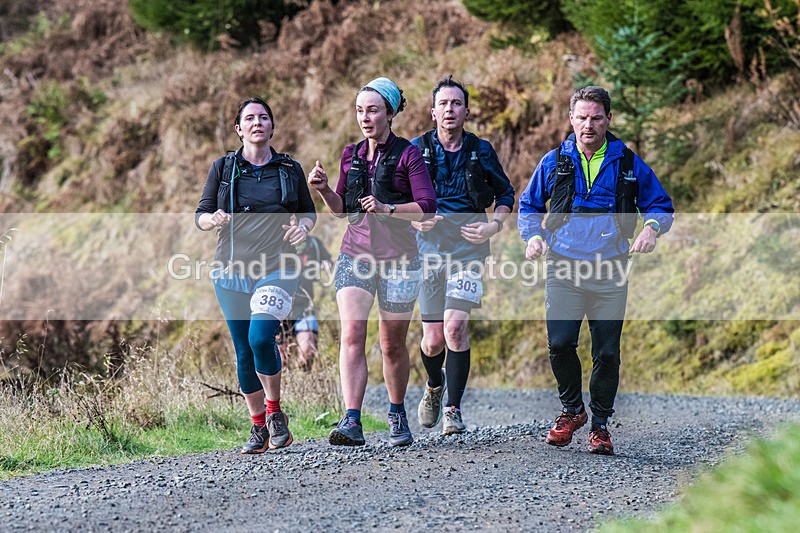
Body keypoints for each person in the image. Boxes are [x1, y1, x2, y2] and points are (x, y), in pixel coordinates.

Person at [518, 86, 674, 455]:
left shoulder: (627, 163)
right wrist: (534, 237)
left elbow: (661, 205)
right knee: (559, 344)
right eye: (582, 117)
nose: (589, 125)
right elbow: (528, 206)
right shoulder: (554, 160)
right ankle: (572, 410)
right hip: (563, 266)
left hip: (610, 270)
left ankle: (600, 426)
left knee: (606, 353)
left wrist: (651, 229)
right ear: (571, 119)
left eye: (596, 117)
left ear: (608, 119)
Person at [307, 77, 437, 446]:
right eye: (360, 110)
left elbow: (428, 207)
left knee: (391, 344)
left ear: (391, 113)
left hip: (400, 260)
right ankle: (352, 420)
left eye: (373, 110)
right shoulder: (351, 155)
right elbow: (343, 210)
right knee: (351, 334)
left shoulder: (409, 154)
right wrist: (324, 190)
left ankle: (397, 414)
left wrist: (387, 207)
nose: (365, 117)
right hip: (355, 254)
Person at [196, 97, 317, 454]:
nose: (257, 122)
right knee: (243, 351)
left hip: (278, 268)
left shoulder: (289, 169)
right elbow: (200, 215)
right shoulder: (223, 168)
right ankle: (258, 426)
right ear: (239, 129)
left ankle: (275, 411)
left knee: (261, 337)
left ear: (272, 127)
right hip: (230, 271)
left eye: (264, 117)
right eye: (250, 118)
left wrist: (304, 230)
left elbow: (308, 213)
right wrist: (213, 220)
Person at [411, 75, 515, 435]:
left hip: (469, 251)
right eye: (444, 104)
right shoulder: (415, 150)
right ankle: (434, 386)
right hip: (427, 252)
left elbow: (506, 196)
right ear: (433, 111)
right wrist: (415, 221)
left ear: (466, 111)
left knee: (455, 328)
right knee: (433, 339)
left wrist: (493, 227)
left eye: (457, 104)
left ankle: (453, 409)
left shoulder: (480, 150)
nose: (450, 110)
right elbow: (392, 200)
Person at [276, 234, 333, 371]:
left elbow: (329, 261)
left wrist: (326, 265)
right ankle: (285, 388)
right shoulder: (274, 241)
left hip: (305, 307)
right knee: (280, 362)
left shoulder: (313, 243)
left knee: (308, 353)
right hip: (278, 309)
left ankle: (303, 380)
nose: (293, 221)